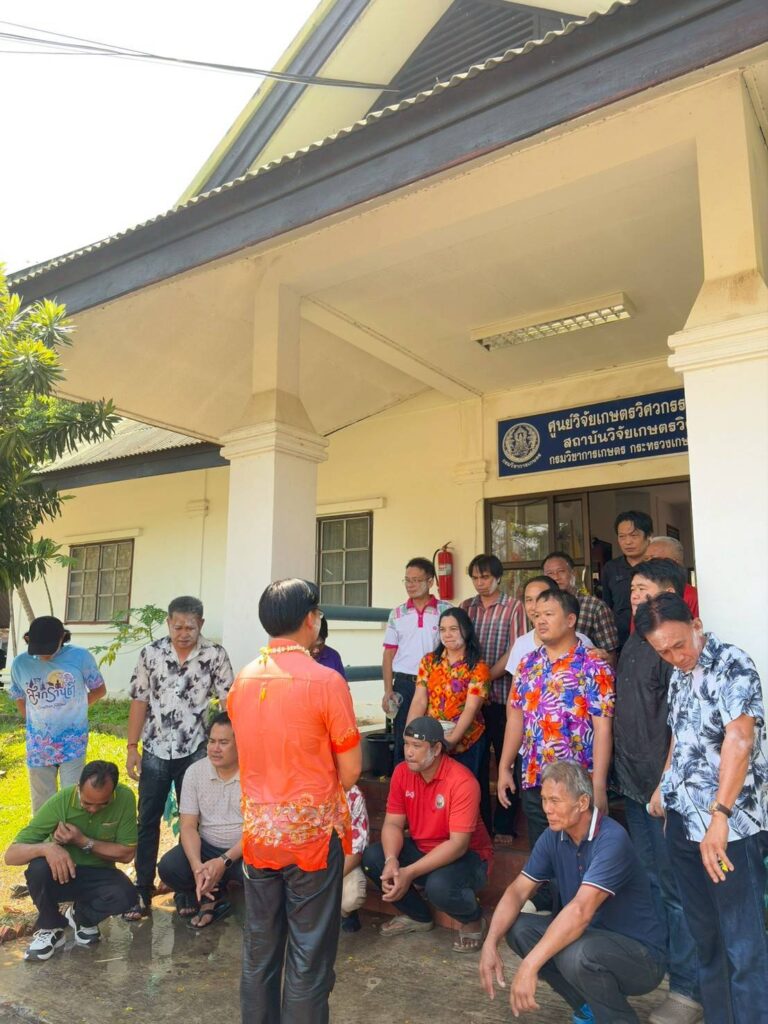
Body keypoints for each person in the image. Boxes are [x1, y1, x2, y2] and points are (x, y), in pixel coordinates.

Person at [227, 578, 361, 1024]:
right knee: (309, 954)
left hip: (259, 836)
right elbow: (351, 771)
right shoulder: (326, 681)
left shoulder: (244, 679)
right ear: (310, 619)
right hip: (312, 837)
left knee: (259, 948)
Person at [638, 594, 768, 1024]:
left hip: (730, 828)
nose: (676, 657)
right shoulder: (679, 674)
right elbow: (682, 736)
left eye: (679, 644)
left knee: (743, 945)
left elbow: (739, 740)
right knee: (707, 940)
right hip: (684, 822)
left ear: (696, 624)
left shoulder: (733, 665)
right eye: (663, 652)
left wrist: (720, 817)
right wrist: (665, 785)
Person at [479, 762, 666, 1024]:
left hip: (641, 957)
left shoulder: (611, 838)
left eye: (555, 800)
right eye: (544, 799)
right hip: (590, 940)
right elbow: (516, 892)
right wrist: (490, 942)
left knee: (575, 953)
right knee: (519, 928)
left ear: (582, 802)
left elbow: (580, 911)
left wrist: (529, 965)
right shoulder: (553, 836)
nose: (547, 808)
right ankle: (588, 1006)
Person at [613, 560, 702, 1024]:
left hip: (666, 793)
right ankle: (667, 968)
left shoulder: (674, 649)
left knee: (677, 889)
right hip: (633, 787)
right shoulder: (635, 641)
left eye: (643, 588)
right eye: (632, 587)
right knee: (652, 882)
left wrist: (666, 785)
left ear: (669, 595)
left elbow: (680, 725)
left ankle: (689, 990)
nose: (634, 594)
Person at [498, 588, 614, 911]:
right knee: (544, 849)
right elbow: (515, 717)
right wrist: (505, 766)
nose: (540, 620)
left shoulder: (593, 664)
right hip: (536, 776)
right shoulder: (527, 663)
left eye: (549, 614)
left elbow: (603, 728)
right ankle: (550, 913)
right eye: (537, 615)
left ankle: (581, 921)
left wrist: (599, 784)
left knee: (581, 857)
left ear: (571, 619)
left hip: (578, 783)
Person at [124, 595, 234, 919]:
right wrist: (132, 747)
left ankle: (186, 888)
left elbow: (228, 703)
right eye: (177, 627)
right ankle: (142, 888)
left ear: (201, 624)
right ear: (168, 623)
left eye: (190, 627)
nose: (184, 633)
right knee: (147, 820)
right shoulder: (151, 654)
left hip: (196, 752)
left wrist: (232, 747)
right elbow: (139, 700)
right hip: (155, 750)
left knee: (194, 821)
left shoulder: (215, 655)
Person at [362, 716, 493, 952]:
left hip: (468, 857)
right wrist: (391, 860)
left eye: (417, 746)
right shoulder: (402, 772)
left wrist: (409, 872)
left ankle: (473, 919)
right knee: (374, 858)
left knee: (439, 887)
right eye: (406, 744)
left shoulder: (462, 781)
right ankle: (418, 917)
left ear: (437, 749)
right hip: (423, 849)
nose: (409, 752)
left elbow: (458, 845)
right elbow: (392, 824)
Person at [4, 760, 138, 962]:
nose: (93, 809)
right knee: (38, 869)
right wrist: (47, 848)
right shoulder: (62, 801)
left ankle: (81, 917)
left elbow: (127, 854)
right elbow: (11, 855)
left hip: (99, 874)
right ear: (78, 788)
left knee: (126, 896)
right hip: (62, 873)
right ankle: (51, 927)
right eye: (87, 803)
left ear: (113, 793)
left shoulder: (125, 797)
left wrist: (82, 841)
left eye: (103, 804)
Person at [9, 616, 106, 812]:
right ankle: (45, 833)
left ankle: (70, 832)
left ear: (62, 637)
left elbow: (99, 690)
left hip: (73, 742)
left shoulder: (80, 657)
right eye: (39, 648)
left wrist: (76, 706)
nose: (45, 654)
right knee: (42, 803)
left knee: (72, 798)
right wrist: (33, 720)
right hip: (39, 745)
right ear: (28, 640)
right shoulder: (20, 664)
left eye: (49, 647)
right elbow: (19, 696)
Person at [460, 554, 526, 840]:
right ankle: (480, 826)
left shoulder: (514, 607)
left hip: (502, 697)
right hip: (471, 702)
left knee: (506, 760)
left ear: (498, 578)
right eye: (475, 577)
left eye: (485, 577)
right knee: (473, 765)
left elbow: (516, 650)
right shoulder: (466, 607)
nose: (480, 583)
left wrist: (484, 678)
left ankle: (504, 825)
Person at [157, 711, 243, 929]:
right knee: (169, 867)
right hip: (207, 847)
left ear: (241, 744)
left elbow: (257, 830)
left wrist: (223, 862)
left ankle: (229, 890)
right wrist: (197, 866)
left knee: (261, 876)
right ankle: (211, 895)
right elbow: (188, 826)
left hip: (243, 851)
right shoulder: (195, 772)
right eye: (212, 741)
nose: (215, 748)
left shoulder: (254, 774)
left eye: (223, 742)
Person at [382, 558, 452, 765]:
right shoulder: (397, 614)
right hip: (405, 684)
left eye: (416, 580)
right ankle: (403, 782)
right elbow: (388, 654)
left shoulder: (445, 611)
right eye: (407, 580)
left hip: (438, 684)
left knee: (435, 736)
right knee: (405, 737)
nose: (410, 585)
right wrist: (388, 690)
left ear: (430, 582)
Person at [407, 607, 490, 781]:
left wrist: (451, 740)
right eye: (443, 629)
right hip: (432, 740)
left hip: (466, 742)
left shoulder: (478, 667)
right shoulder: (429, 661)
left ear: (466, 630)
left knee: (464, 788)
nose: (447, 634)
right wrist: (411, 732)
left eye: (453, 629)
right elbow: (419, 700)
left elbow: (471, 708)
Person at [542, 551, 618, 666]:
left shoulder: (594, 606)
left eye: (561, 571)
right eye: (550, 573)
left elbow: (610, 655)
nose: (556, 577)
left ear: (573, 574)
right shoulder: (539, 608)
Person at [600, 510, 653, 649]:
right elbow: (607, 606)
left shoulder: (656, 566)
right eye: (622, 536)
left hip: (654, 637)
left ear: (648, 536)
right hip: (621, 641)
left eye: (634, 535)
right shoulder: (611, 568)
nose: (628, 542)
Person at [644, 536, 699, 618]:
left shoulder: (692, 597)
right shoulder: (642, 594)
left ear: (675, 563)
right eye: (646, 559)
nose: (648, 564)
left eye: (654, 559)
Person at [341, 784, 369, 934]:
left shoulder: (351, 792)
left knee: (352, 897)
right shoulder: (293, 788)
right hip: (301, 867)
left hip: (340, 865)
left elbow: (357, 848)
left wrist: (329, 881)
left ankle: (343, 914)